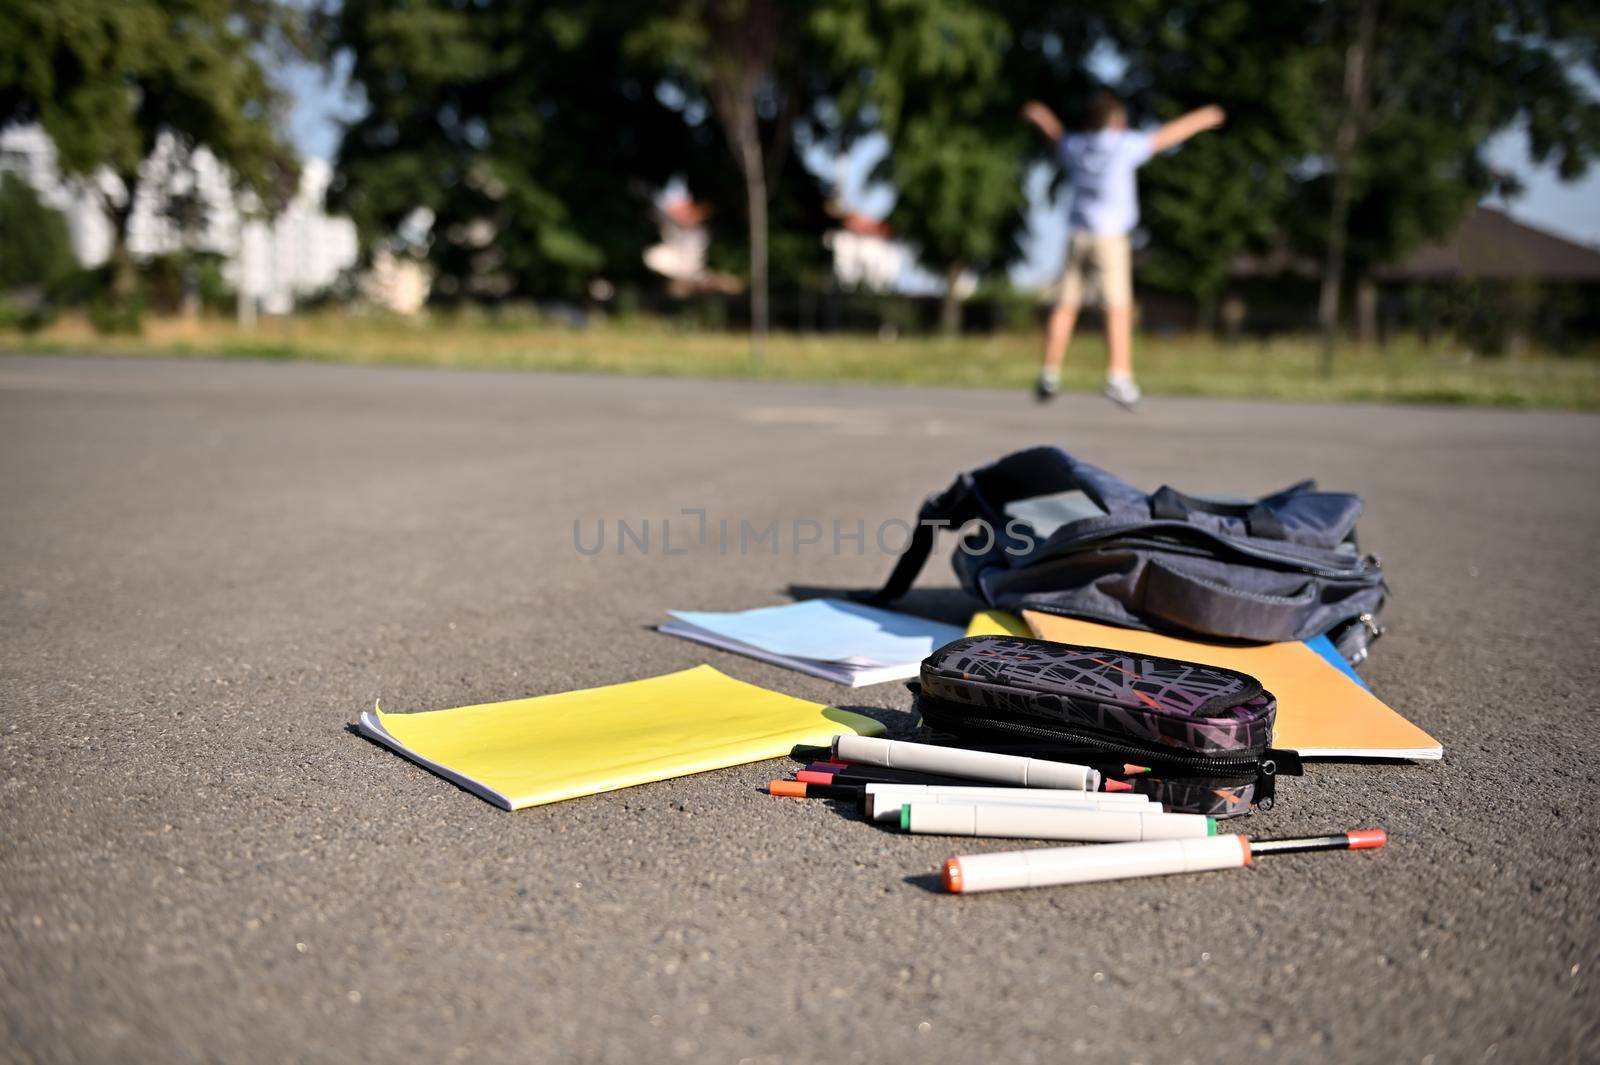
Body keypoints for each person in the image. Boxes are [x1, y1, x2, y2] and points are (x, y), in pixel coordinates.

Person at [1022, 93, 1225, 409]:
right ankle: (1119, 376)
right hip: (1110, 238)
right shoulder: (1122, 145)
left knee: (1065, 305)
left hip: (1078, 235)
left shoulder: (1077, 146)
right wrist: (1203, 118)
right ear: (1117, 123)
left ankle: (1050, 372)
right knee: (1117, 307)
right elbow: (1164, 137)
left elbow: (1056, 136)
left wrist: (1041, 115)